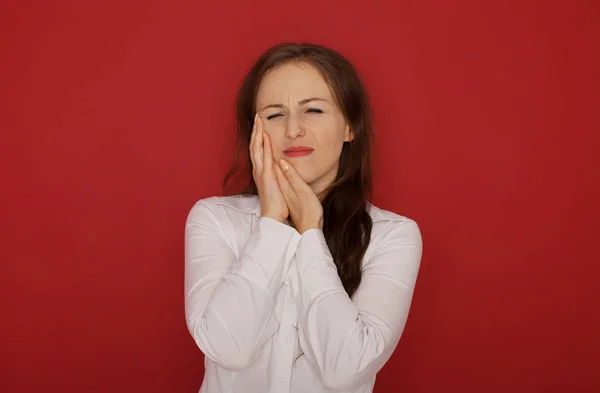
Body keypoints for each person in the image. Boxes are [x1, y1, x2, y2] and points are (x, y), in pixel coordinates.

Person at [184, 42, 423, 393]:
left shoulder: (393, 235)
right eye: (275, 114)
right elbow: (228, 349)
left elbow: (344, 370)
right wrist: (272, 224)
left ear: (349, 128)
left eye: (313, 110)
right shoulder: (215, 219)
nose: (293, 129)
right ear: (255, 131)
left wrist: (311, 230)